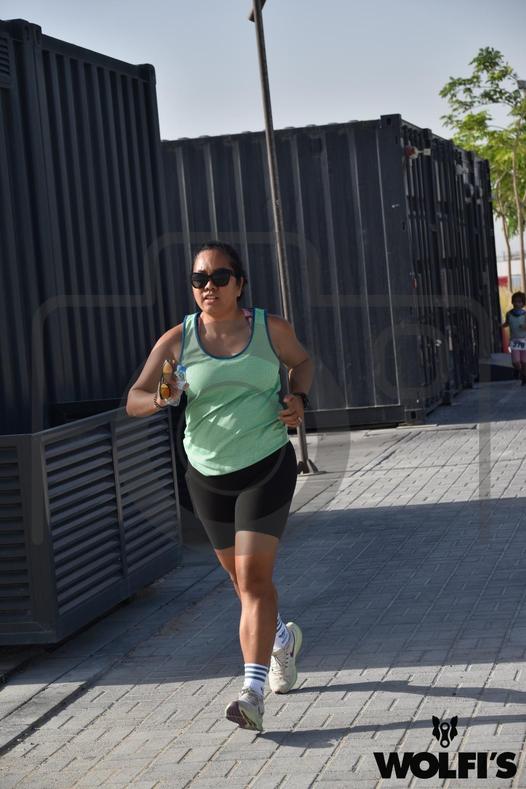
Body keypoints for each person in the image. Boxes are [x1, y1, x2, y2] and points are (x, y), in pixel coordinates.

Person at [125, 241, 314, 732]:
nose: (208, 286)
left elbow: (302, 363)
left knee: (253, 580)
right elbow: (134, 399)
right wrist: (162, 396)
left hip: (266, 466)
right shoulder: (177, 340)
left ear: (240, 283)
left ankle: (252, 693)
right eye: (199, 279)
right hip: (207, 477)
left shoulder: (270, 330)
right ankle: (282, 642)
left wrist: (298, 397)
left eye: (219, 277)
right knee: (240, 582)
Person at [502, 291, 526, 385]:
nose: (517, 304)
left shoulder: (525, 314)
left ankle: (524, 376)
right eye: (515, 301)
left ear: (523, 303)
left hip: (524, 340)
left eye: (520, 302)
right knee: (515, 361)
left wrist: (524, 327)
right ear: (512, 302)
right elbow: (507, 323)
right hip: (514, 340)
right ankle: (518, 371)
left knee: (524, 362)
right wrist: (502, 325)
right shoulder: (509, 314)